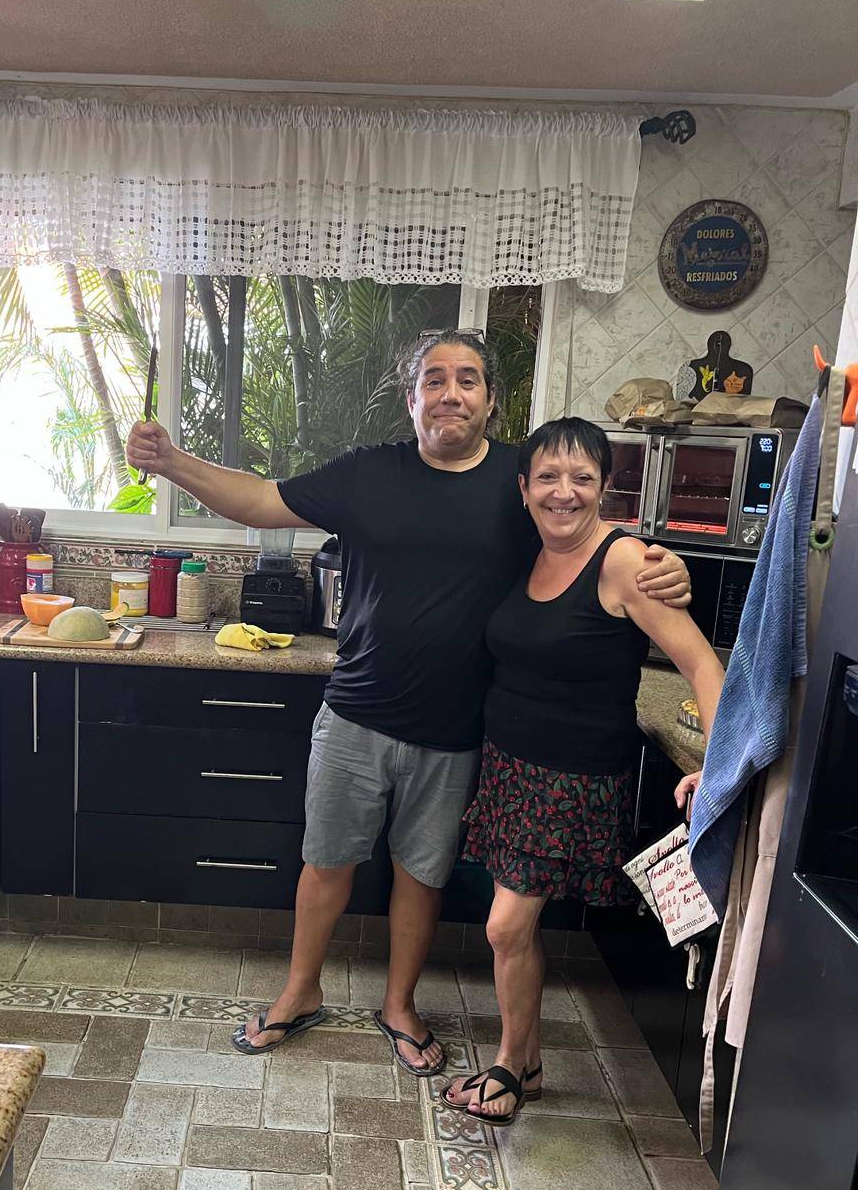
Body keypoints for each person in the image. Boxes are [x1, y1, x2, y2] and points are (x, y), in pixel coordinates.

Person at [125, 331, 691, 1075]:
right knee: (325, 862)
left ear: (490, 399)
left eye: (467, 380)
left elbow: (579, 525)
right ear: (412, 398)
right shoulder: (369, 475)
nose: (450, 393)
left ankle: (400, 1005)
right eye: (434, 380)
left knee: (419, 876)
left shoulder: (519, 482)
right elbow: (262, 501)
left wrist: (658, 559)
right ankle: (300, 991)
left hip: (457, 733)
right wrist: (173, 463)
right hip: (355, 713)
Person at [440, 415, 724, 1126]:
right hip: (510, 767)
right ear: (525, 487)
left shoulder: (625, 562)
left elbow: (703, 663)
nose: (563, 493)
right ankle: (526, 1061)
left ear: (605, 487)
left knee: (505, 927)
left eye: (581, 478)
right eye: (547, 477)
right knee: (519, 927)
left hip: (571, 779)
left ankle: (509, 1065)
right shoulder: (529, 553)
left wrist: (718, 768)